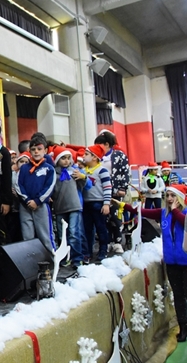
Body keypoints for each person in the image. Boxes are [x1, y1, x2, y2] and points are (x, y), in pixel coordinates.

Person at [113, 184, 187, 342]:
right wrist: (122, 205)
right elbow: (141, 212)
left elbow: (183, 222)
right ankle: (183, 327)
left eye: (172, 196)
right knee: (179, 296)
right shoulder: (163, 214)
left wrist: (174, 210)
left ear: (180, 197)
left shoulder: (184, 213)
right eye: (167, 196)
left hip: (186, 262)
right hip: (172, 263)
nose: (168, 199)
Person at [50, 146, 89, 268]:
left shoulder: (75, 171)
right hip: (60, 207)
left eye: (68, 158)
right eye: (63, 158)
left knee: (74, 232)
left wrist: (84, 177)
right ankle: (64, 257)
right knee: (62, 235)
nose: (66, 161)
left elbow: (84, 185)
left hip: (74, 206)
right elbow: (50, 189)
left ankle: (77, 258)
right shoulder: (53, 173)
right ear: (57, 160)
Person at [16, 135, 56, 253]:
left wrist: (37, 201)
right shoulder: (24, 168)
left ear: (45, 150)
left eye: (39, 149)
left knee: (45, 235)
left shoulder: (49, 169)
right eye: (33, 149)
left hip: (41, 206)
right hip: (25, 206)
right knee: (27, 236)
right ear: (30, 151)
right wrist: (27, 200)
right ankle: (30, 263)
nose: (36, 151)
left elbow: (49, 187)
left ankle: (52, 259)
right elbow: (18, 185)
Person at [81, 145, 112, 262]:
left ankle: (103, 249)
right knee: (87, 229)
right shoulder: (83, 171)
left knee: (101, 228)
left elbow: (107, 187)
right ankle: (87, 252)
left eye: (86, 154)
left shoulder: (102, 170)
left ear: (94, 157)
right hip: (86, 203)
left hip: (99, 203)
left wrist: (106, 203)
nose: (83, 156)